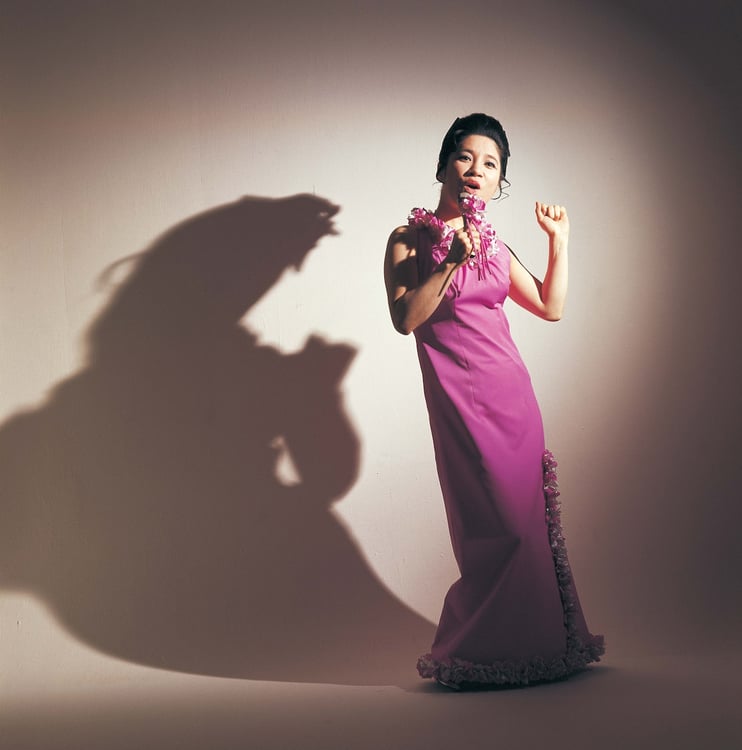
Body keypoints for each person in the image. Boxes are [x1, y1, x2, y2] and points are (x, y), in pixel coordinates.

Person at [383, 113, 604, 688]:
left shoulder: (496, 247)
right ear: (443, 165)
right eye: (465, 157)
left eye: (490, 164)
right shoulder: (407, 240)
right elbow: (406, 318)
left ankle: (537, 648)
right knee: (490, 526)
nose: (475, 171)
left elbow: (550, 306)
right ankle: (486, 649)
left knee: (525, 528)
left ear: (498, 181)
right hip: (459, 405)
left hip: (512, 399)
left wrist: (559, 243)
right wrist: (451, 261)